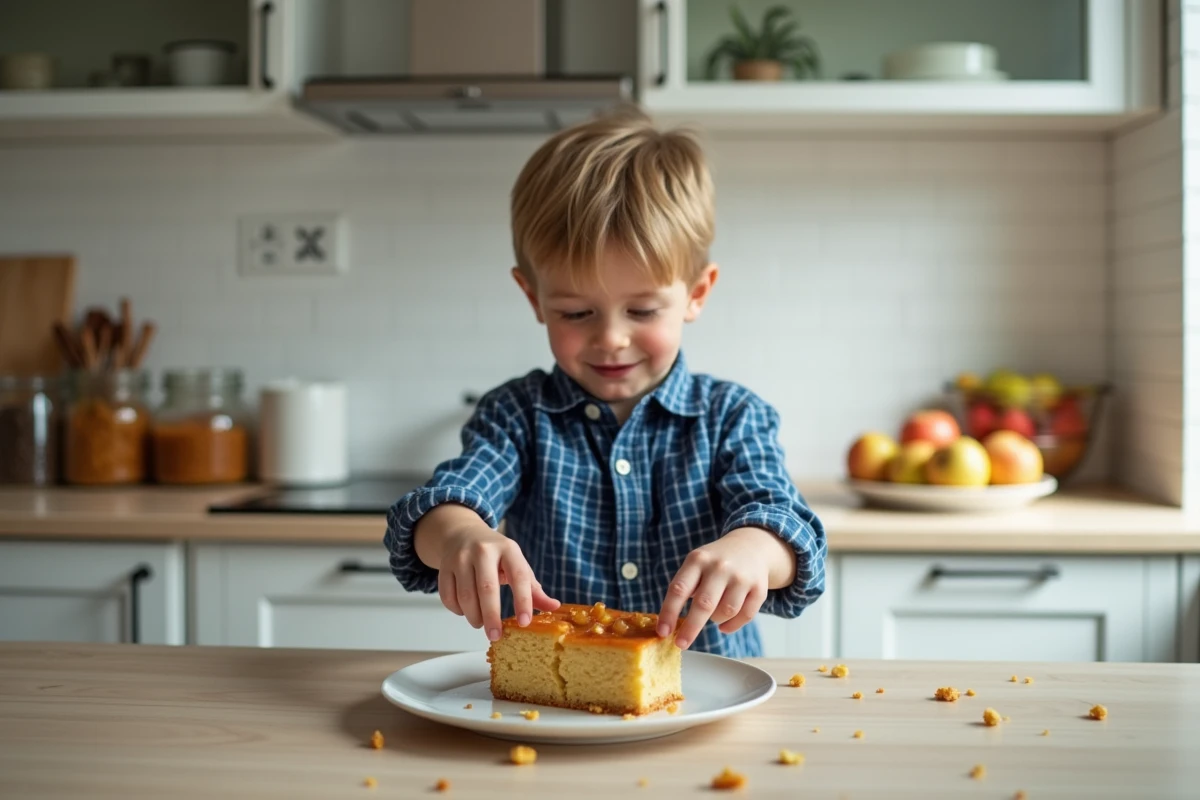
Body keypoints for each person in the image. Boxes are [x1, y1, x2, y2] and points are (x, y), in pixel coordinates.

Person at [384, 108, 826, 657]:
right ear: (533, 298)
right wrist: (460, 536)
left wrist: (754, 550)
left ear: (696, 293)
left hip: (707, 690)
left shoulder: (732, 415)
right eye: (576, 313)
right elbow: (443, 504)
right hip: (556, 701)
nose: (612, 339)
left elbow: (787, 526)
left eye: (641, 310)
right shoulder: (517, 414)